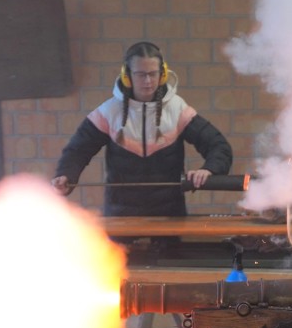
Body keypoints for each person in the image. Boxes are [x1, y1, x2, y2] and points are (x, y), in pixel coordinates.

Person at [51, 41, 232, 221]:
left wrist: (209, 170)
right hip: (120, 216)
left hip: (169, 217)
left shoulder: (178, 110)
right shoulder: (109, 112)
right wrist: (66, 175)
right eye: (140, 74)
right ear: (126, 76)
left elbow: (218, 146)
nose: (147, 81)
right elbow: (77, 150)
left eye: (153, 74)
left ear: (162, 75)